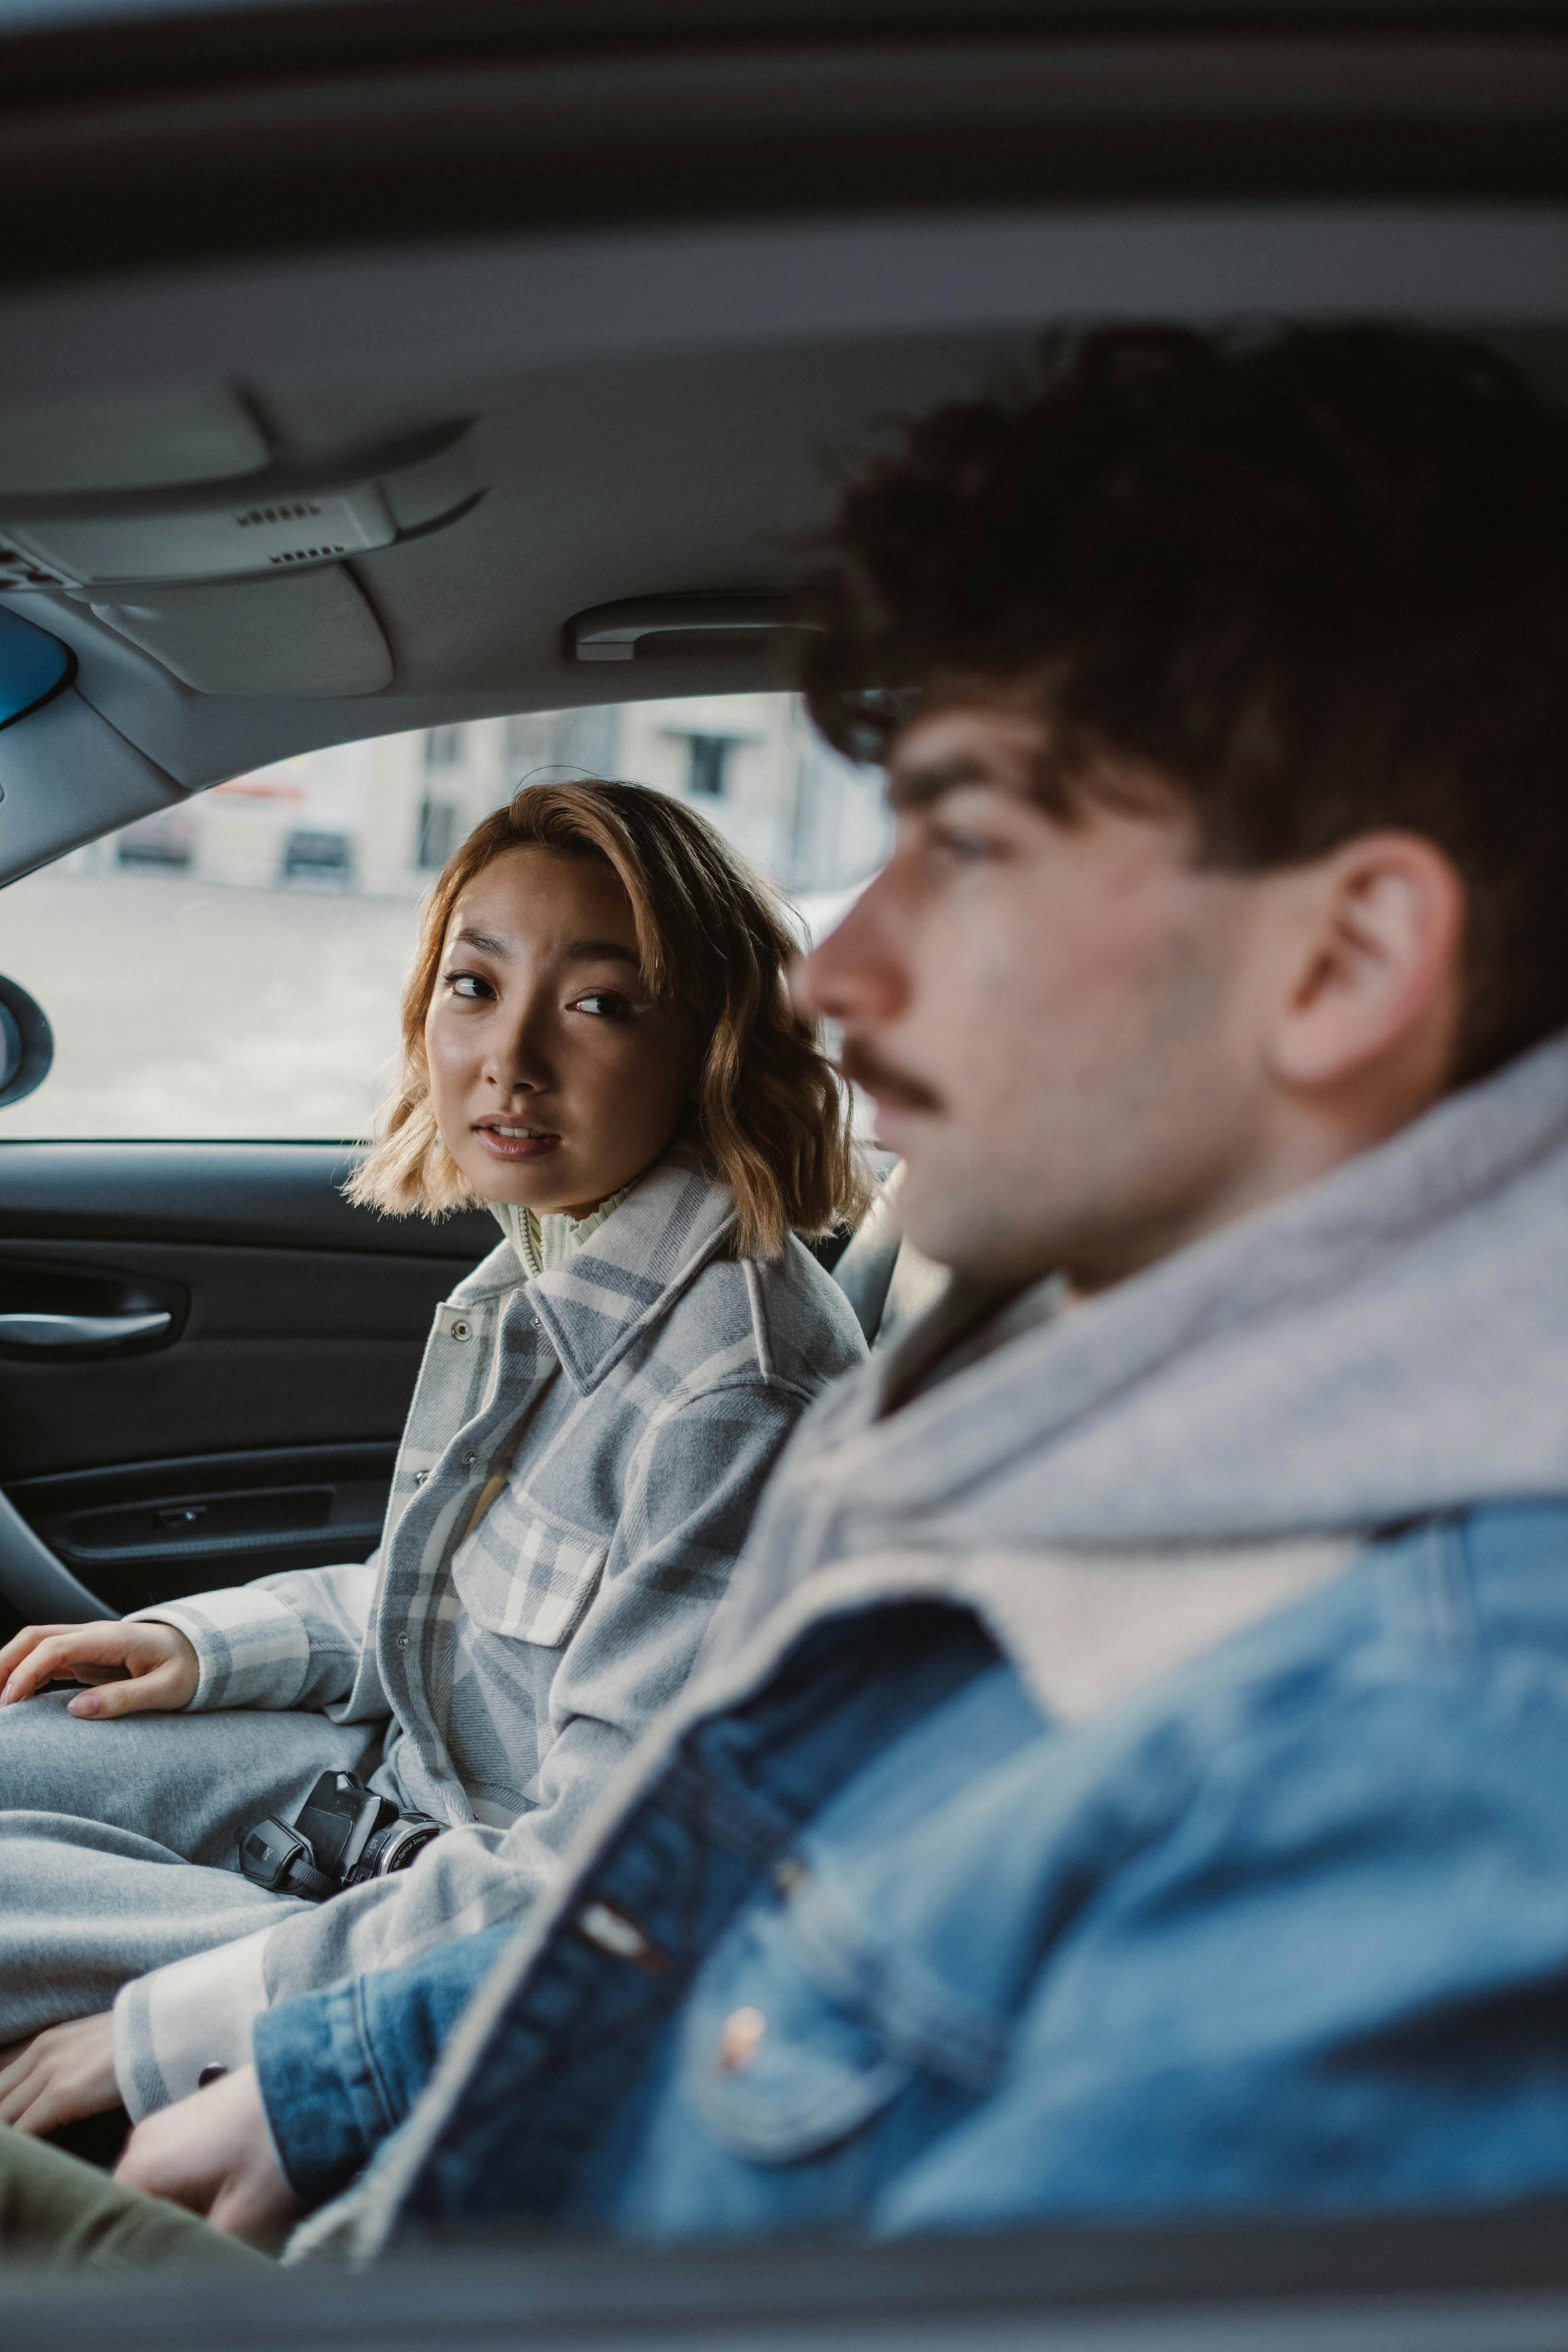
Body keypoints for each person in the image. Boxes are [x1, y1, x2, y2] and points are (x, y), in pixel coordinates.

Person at [9, 315, 1568, 2266]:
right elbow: (732, 1887)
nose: (836, 975)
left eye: (969, 844)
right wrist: (328, 2073)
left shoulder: (1426, 1764)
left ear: (1343, 961)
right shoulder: (1075, 1420)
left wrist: (226, 2050)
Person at [0, 780, 868, 2147]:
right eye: (474, 984)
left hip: (452, 1927)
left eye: (598, 1003)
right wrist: (200, 1642)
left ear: (710, 1042)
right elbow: (444, 1598)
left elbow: (596, 1883)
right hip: (378, 1799)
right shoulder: (538, 1268)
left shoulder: (736, 1390)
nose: (507, 1058)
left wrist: (168, 2031)